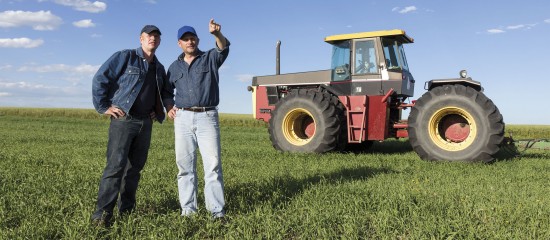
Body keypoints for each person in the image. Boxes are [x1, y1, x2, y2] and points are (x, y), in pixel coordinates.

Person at [91, 25, 174, 227]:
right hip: (124, 120)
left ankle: (126, 211)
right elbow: (101, 78)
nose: (152, 39)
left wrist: (159, 110)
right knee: (115, 167)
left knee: (134, 169)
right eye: (149, 36)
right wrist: (103, 107)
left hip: (145, 123)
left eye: (156, 37)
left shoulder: (159, 68)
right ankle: (102, 215)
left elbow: (163, 92)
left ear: (159, 41)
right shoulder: (126, 57)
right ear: (141, 39)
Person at [166, 19, 229, 219]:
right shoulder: (174, 67)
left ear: (197, 40)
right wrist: (169, 107)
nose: (190, 42)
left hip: (207, 116)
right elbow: (167, 91)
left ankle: (216, 212)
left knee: (213, 166)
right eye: (185, 39)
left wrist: (217, 34)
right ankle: (188, 211)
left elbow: (223, 48)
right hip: (183, 118)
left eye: (192, 38)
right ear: (179, 43)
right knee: (184, 167)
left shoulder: (210, 58)